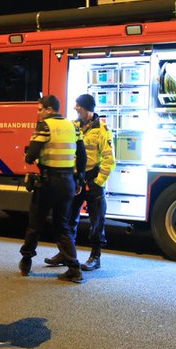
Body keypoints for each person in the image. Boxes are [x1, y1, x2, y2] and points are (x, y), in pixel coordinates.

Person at [19, 95, 86, 283]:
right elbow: (82, 155)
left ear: (49, 109)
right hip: (68, 183)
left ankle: (26, 262)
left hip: (48, 182)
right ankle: (74, 268)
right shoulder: (73, 127)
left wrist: (29, 156)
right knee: (62, 225)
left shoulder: (45, 126)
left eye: (40, 109)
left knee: (35, 224)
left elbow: (31, 155)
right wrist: (79, 179)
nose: (39, 113)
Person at [53, 94, 114, 272]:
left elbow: (109, 160)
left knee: (97, 221)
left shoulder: (102, 130)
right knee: (69, 218)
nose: (75, 108)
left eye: (78, 105)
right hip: (75, 179)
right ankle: (66, 254)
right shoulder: (73, 126)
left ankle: (95, 257)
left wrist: (99, 182)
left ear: (87, 108)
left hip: (93, 180)